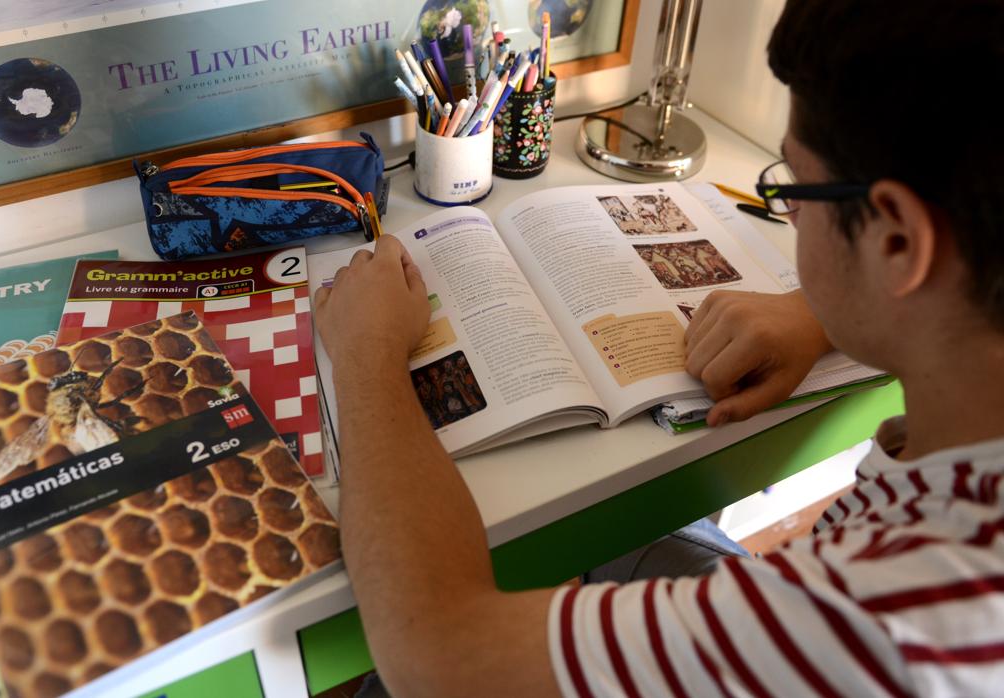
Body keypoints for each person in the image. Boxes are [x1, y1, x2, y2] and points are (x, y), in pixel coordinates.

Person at [312, 1, 1004, 694]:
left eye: (793, 186)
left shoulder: (887, 620)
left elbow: (438, 658)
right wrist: (824, 313)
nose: (789, 211)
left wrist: (367, 352)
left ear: (898, 243)